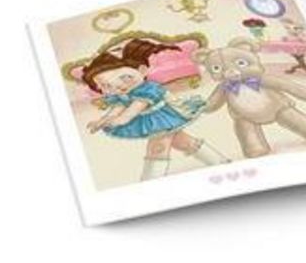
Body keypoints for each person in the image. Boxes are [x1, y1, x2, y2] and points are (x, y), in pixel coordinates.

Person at [77, 38, 228, 170]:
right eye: (106, 86)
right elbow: (118, 107)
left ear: (142, 70)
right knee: (182, 142)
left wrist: (119, 121)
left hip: (161, 118)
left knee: (158, 147)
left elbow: (133, 109)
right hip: (148, 120)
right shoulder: (122, 93)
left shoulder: (148, 89)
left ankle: (151, 179)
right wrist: (103, 120)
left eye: (125, 78)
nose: (118, 86)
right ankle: (220, 162)